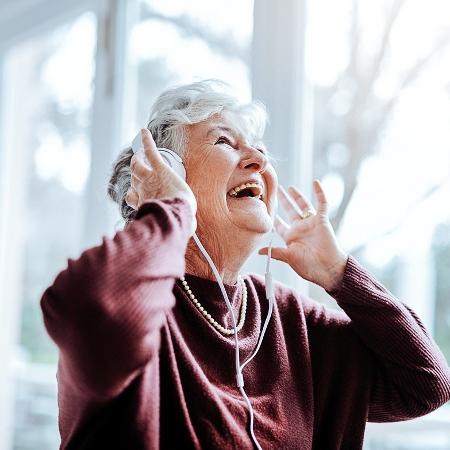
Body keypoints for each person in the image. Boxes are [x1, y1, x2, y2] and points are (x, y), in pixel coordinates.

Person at [41, 80, 450, 450]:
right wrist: (168, 210)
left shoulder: (288, 318)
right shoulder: (126, 301)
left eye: (259, 148)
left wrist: (342, 275)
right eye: (225, 141)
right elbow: (88, 314)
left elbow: (425, 383)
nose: (257, 158)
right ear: (165, 174)